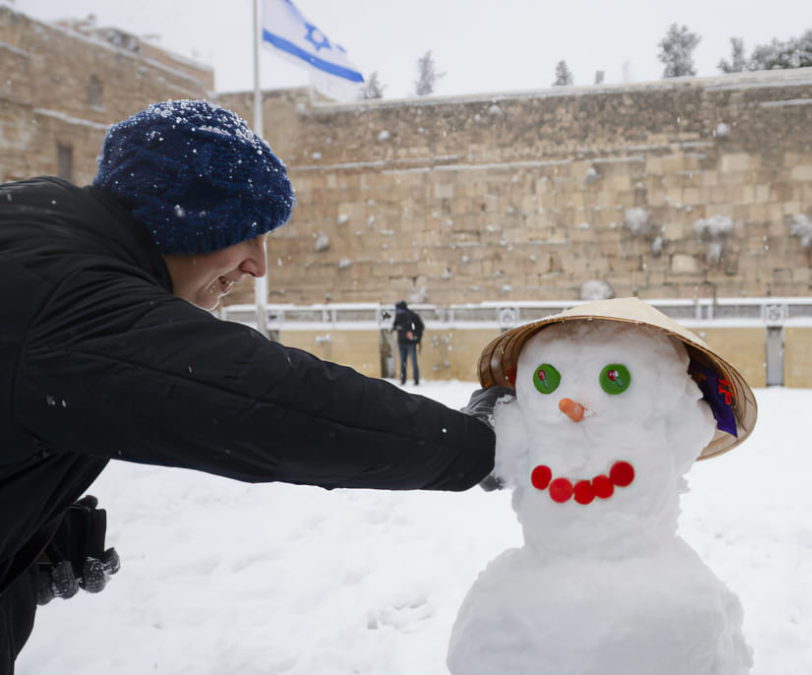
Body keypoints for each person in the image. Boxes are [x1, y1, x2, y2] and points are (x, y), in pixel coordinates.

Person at [0, 100, 507, 674]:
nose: (259, 267)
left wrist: (27, 533)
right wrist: (482, 445)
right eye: (248, 235)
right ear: (187, 220)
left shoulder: (36, 224)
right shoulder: (68, 301)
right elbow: (272, 405)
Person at [391, 301, 425, 385]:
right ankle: (403, 380)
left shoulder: (413, 316)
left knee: (413, 362)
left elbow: (420, 327)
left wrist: (413, 334)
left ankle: (416, 381)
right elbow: (394, 326)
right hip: (402, 342)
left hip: (411, 342)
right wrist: (398, 328)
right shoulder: (398, 316)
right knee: (403, 362)